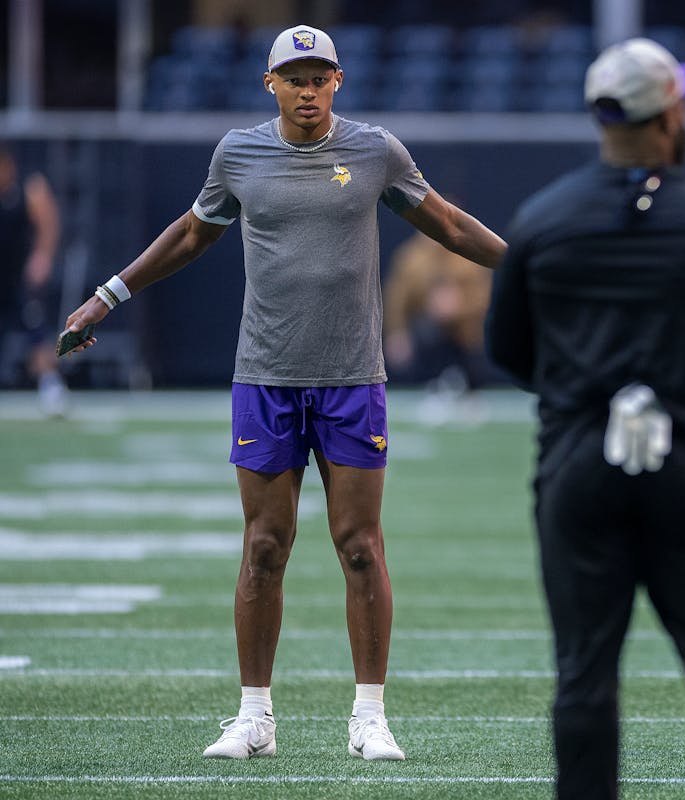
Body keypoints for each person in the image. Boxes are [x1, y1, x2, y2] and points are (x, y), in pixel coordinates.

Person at [60, 24, 506, 761]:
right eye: (294, 77)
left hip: (352, 378)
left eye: (319, 76)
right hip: (265, 376)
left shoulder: (374, 151)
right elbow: (190, 234)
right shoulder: (238, 153)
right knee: (265, 545)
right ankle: (255, 717)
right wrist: (110, 293)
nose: (307, 89)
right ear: (270, 84)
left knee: (360, 546)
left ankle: (369, 716)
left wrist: (529, 270)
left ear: (339, 80)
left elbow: (448, 223)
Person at [486, 38, 685, 800]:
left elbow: (509, 353)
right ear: (671, 113)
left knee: (584, 669)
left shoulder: (542, 221)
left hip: (578, 466)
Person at [382, 231, 493, 423]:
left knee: (478, 332)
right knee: (426, 330)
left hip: (466, 327)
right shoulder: (412, 257)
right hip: (427, 326)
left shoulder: (469, 255)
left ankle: (470, 389)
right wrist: (397, 332)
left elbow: (484, 298)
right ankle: (434, 385)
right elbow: (397, 299)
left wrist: (458, 307)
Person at [0, 144, 68, 417]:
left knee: (36, 332)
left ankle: (51, 387)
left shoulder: (29, 187)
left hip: (18, 279)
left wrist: (42, 257)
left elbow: (48, 223)